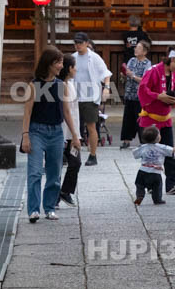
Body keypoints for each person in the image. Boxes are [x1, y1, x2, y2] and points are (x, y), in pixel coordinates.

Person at [21, 47, 79, 222]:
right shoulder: (34, 85)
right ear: (49, 64)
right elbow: (27, 112)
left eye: (62, 62)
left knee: (54, 174)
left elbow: (67, 113)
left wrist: (75, 136)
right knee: (35, 172)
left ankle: (49, 208)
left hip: (56, 132)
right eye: (58, 62)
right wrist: (25, 135)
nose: (62, 66)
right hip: (36, 131)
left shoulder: (61, 86)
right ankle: (33, 210)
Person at [137, 46, 175, 195]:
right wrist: (158, 96)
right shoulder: (153, 71)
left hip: (165, 120)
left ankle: (170, 185)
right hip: (150, 119)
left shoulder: (174, 74)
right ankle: (150, 185)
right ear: (173, 59)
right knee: (150, 155)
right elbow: (142, 89)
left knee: (169, 153)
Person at [72, 32, 110, 166]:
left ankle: (93, 155)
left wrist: (106, 87)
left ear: (87, 43)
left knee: (91, 126)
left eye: (80, 43)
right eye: (76, 43)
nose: (78, 45)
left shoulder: (94, 57)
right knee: (73, 127)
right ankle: (72, 154)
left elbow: (105, 73)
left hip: (90, 95)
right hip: (74, 95)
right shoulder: (73, 57)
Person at [133, 126, 175, 205]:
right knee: (157, 187)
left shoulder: (142, 147)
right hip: (155, 173)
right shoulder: (161, 147)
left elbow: (135, 154)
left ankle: (139, 196)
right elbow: (171, 151)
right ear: (158, 138)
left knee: (139, 185)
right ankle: (157, 199)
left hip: (143, 171)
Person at [57, 55, 83, 206]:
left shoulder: (70, 83)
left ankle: (64, 191)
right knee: (58, 166)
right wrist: (75, 135)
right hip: (63, 132)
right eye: (74, 67)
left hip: (72, 132)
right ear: (69, 69)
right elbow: (66, 113)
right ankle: (57, 195)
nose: (76, 69)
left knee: (75, 163)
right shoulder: (61, 86)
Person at [120, 39, 152, 149]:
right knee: (127, 118)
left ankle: (143, 141)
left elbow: (145, 80)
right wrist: (124, 75)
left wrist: (132, 75)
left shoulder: (147, 64)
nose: (135, 49)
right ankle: (126, 140)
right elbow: (127, 74)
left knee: (140, 119)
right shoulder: (131, 60)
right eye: (136, 47)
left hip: (140, 96)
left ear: (144, 52)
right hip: (129, 93)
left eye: (138, 48)